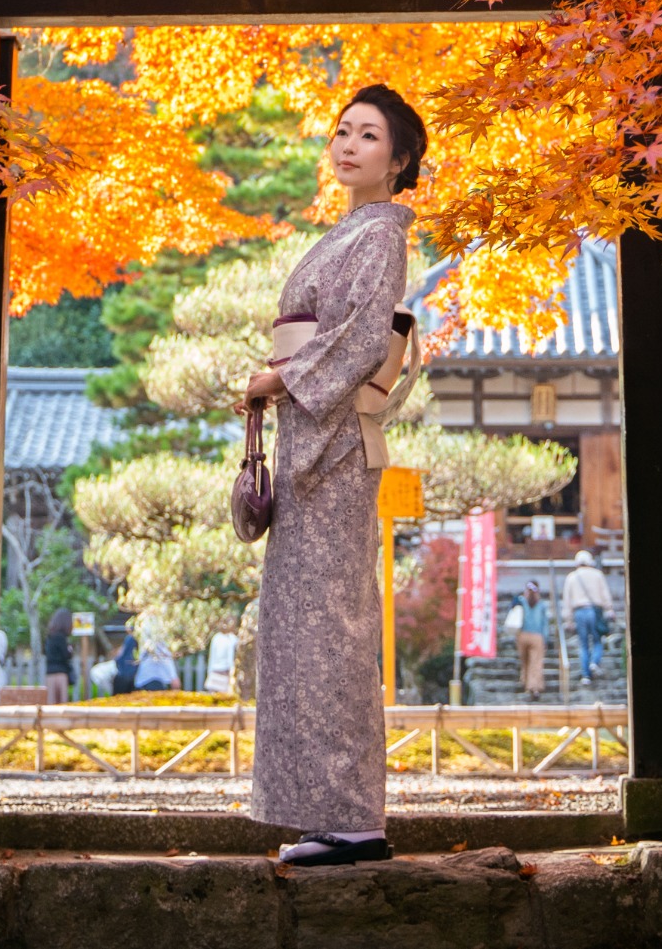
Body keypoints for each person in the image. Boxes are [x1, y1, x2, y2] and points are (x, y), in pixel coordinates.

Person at [241, 84, 426, 869]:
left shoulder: (381, 235)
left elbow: (356, 343)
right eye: (342, 130)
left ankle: (354, 818)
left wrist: (278, 381)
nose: (349, 144)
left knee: (333, 626)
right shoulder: (350, 231)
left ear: (401, 157)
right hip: (312, 440)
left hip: (332, 445)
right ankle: (331, 809)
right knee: (307, 625)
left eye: (369, 134)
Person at [561, 550, 613, 685]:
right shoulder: (598, 575)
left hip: (579, 612)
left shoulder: (572, 577)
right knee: (597, 640)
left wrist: (568, 619)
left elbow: (567, 600)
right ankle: (594, 662)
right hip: (595, 611)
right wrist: (609, 609)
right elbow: (605, 594)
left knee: (583, 644)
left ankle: (585, 675)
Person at [510, 583, 551, 698]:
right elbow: (545, 624)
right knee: (536, 662)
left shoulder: (521, 602)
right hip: (537, 636)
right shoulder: (541, 605)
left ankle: (524, 681)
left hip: (522, 635)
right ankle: (534, 687)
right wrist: (545, 639)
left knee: (525, 661)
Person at [41, 609, 74, 703]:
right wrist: (70, 651)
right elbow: (66, 655)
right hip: (61, 673)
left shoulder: (49, 637)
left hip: (50, 673)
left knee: (51, 704)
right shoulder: (62, 637)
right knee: (62, 704)